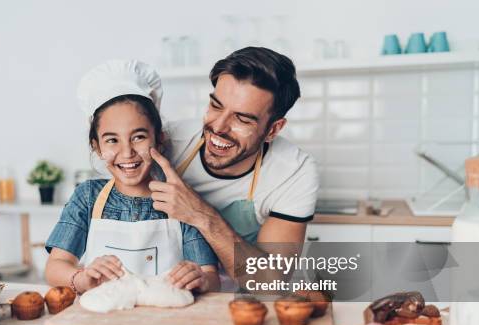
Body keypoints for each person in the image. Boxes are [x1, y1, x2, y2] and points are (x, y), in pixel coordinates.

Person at [93, 47, 319, 284]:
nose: (219, 127)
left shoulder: (294, 171)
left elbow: (270, 280)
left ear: (273, 129)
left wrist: (201, 214)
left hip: (239, 298)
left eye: (241, 118)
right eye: (216, 106)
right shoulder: (165, 142)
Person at [44, 60, 220, 295]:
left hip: (164, 323)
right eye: (112, 140)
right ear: (96, 147)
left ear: (159, 139)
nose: (127, 153)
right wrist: (82, 278)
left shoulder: (181, 200)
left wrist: (200, 279)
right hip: (103, 322)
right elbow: (55, 267)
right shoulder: (87, 198)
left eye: (138, 137)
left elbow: (211, 277)